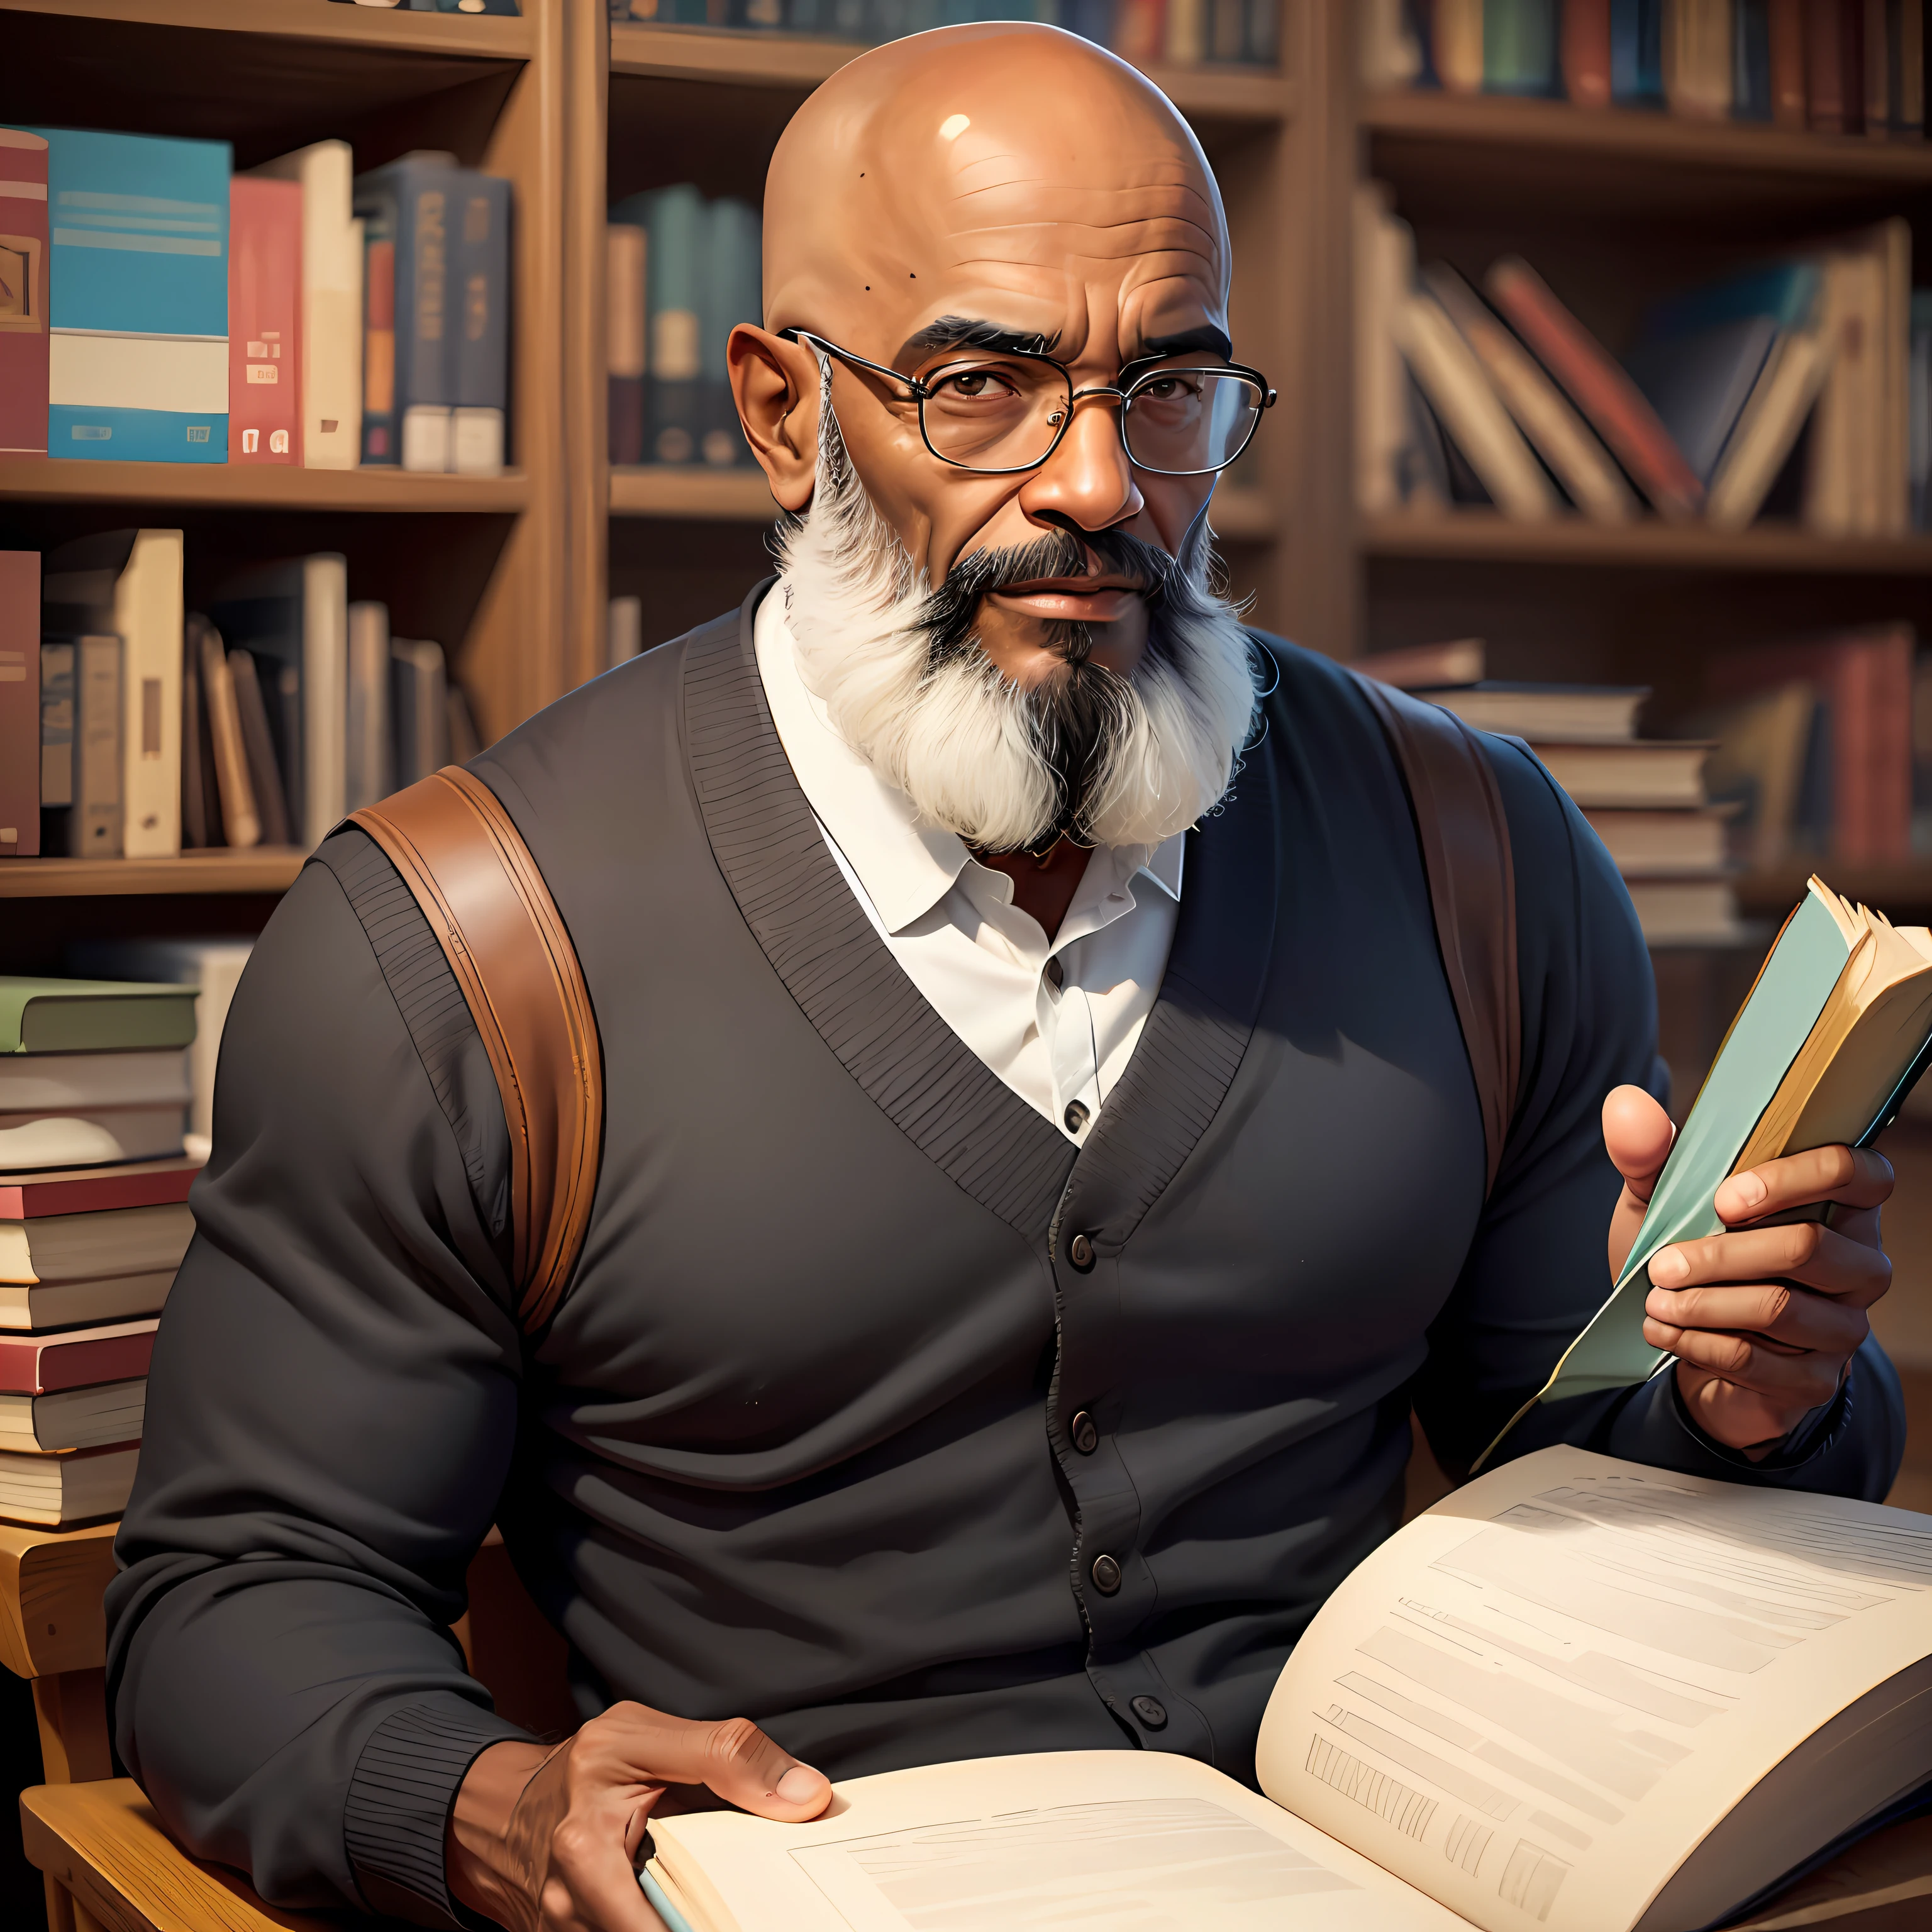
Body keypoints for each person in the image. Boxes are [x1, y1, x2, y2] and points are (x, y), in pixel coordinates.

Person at [107, 24, 1904, 1932]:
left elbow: (1585, 1470)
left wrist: (1753, 1394)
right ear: (787, 414)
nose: (1105, 485)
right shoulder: (457, 949)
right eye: (984, 385)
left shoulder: (1481, 855)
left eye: (1174, 383)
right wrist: (486, 1802)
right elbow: (238, 1600)